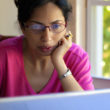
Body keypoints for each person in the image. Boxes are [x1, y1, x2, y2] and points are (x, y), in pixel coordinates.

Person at [0, 0, 94, 97]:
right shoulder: (3, 54)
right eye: (36, 26)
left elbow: (86, 105)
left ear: (65, 25)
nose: (47, 38)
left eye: (56, 26)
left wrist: (59, 62)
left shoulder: (77, 57)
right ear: (23, 27)